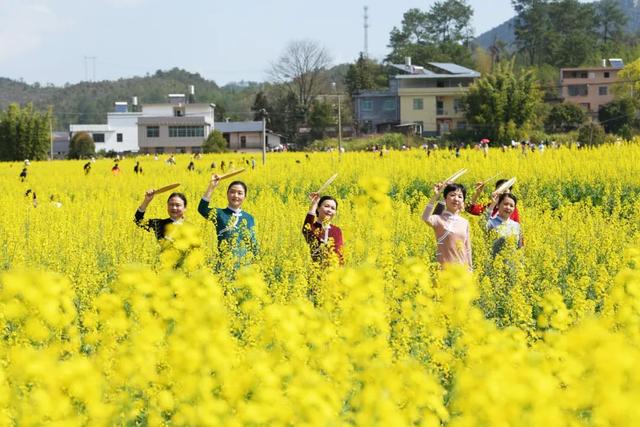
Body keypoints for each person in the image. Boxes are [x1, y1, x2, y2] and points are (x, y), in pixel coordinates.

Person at [198, 176, 258, 264]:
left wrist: (256, 263)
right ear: (227, 194)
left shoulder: (249, 218)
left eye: (240, 193)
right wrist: (211, 187)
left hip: (245, 268)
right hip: (224, 265)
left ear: (245, 196)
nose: (236, 195)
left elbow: (253, 242)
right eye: (232, 192)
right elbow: (202, 209)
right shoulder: (219, 213)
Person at [422, 182, 472, 270]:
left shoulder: (465, 222)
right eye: (452, 195)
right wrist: (435, 196)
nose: (456, 199)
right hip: (444, 273)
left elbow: (468, 249)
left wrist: (470, 269)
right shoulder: (438, 219)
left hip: (462, 273)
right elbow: (425, 217)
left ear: (463, 201)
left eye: (460, 196)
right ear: (445, 199)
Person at [302, 192, 344, 265]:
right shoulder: (313, 228)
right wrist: (314, 203)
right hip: (317, 271)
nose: (329, 210)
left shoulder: (337, 230)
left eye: (333, 208)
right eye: (326, 206)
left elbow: (339, 253)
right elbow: (306, 228)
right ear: (318, 208)